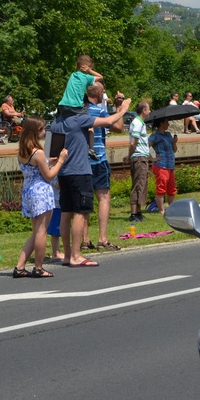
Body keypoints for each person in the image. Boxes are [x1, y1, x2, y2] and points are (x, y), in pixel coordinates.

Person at [52, 90, 131, 268]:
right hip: (80, 171)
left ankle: (67, 255)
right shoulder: (80, 119)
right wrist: (123, 109)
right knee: (80, 212)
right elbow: (110, 122)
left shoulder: (56, 123)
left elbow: (52, 151)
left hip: (63, 173)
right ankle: (76, 255)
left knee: (66, 213)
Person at [14, 116, 68, 278]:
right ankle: (38, 267)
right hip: (41, 193)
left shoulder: (22, 151)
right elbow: (49, 176)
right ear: (35, 131)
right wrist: (60, 161)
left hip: (29, 191)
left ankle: (20, 266)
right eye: (42, 129)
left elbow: (36, 169)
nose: (44, 132)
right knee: (42, 231)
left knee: (36, 231)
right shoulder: (38, 152)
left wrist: (48, 162)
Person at [80, 83, 122, 252]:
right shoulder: (99, 111)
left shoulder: (80, 111)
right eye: (103, 92)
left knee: (84, 201)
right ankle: (102, 239)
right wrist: (119, 107)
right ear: (97, 93)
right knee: (103, 198)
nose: (104, 95)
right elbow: (118, 128)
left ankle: (84, 239)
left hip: (82, 162)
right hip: (98, 159)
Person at [126, 100, 152, 223]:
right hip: (139, 158)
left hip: (142, 157)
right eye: (149, 109)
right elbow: (133, 143)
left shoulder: (140, 123)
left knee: (142, 184)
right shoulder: (137, 123)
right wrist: (130, 156)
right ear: (144, 110)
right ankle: (133, 214)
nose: (150, 111)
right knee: (138, 184)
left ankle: (138, 211)